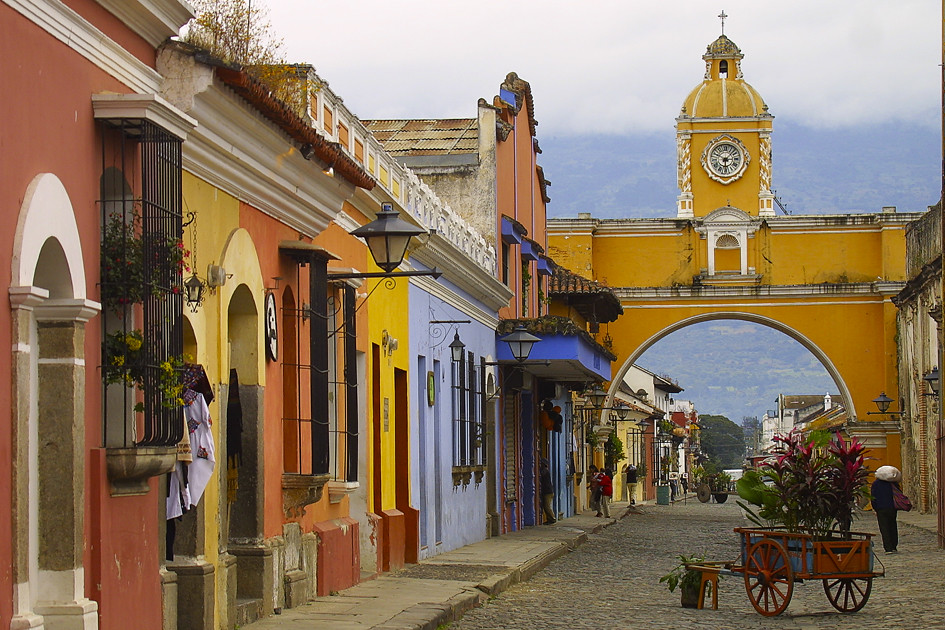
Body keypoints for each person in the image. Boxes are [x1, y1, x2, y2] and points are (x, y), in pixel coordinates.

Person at [871, 465, 903, 554]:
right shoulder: (893, 484)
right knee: (892, 525)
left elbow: (873, 497)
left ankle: (888, 548)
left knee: (884, 528)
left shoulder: (876, 484)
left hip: (881, 508)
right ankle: (894, 546)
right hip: (892, 508)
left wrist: (875, 508)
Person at [539, 458, 556, 524]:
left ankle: (552, 518)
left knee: (547, 506)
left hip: (548, 492)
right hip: (547, 491)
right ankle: (549, 519)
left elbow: (540, 476)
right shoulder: (545, 471)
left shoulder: (545, 471)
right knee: (546, 506)